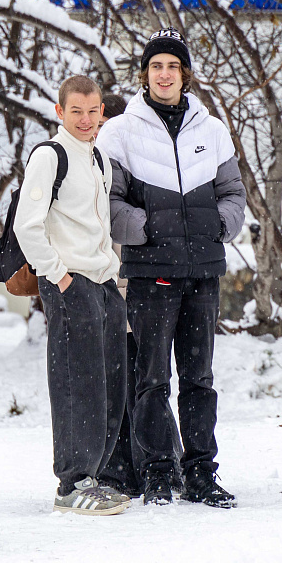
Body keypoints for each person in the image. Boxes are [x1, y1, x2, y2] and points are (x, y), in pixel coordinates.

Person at [96, 28, 247, 507]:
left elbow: (234, 195)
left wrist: (217, 228)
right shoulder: (119, 131)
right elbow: (110, 202)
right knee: (152, 379)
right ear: (146, 73)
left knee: (199, 378)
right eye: (157, 66)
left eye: (173, 66)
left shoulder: (212, 129)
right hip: (150, 274)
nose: (165, 74)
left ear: (184, 74)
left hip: (204, 272)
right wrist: (148, 232)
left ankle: (201, 471)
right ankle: (159, 472)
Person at [13, 76, 128, 515]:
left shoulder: (99, 158)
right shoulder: (50, 155)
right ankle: (72, 482)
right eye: (76, 111)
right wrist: (59, 276)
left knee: (109, 382)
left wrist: (108, 277)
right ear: (60, 112)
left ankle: (93, 475)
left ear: (102, 113)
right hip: (70, 282)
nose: (85, 119)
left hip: (102, 283)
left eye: (93, 111)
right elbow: (28, 224)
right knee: (77, 382)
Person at [95, 93, 184, 499]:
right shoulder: (81, 164)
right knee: (117, 387)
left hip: (136, 292)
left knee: (143, 384)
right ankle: (120, 470)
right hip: (106, 295)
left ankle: (158, 465)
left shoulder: (134, 166)